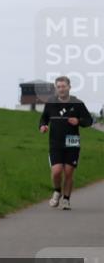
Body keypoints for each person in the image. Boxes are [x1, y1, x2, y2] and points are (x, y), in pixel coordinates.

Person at [39, 76, 93, 210]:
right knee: (57, 171)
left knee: (69, 172)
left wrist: (79, 122)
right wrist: (43, 126)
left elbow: (89, 120)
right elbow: (44, 119)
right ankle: (57, 191)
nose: (61, 89)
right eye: (59, 87)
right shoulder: (51, 103)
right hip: (55, 143)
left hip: (72, 142)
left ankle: (66, 200)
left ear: (69, 87)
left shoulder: (78, 103)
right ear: (56, 89)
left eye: (64, 86)